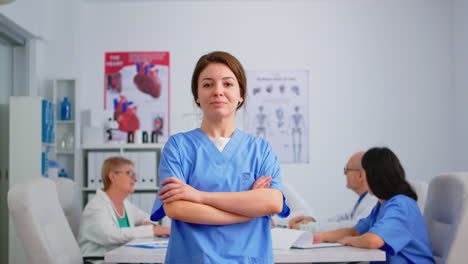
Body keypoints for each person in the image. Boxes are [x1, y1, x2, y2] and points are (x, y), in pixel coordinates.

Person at [150, 51, 289, 264]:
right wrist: (247, 211)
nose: (218, 91)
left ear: (241, 94)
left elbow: (273, 202)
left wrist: (198, 196)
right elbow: (175, 207)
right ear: (197, 95)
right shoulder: (178, 146)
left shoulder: (260, 150)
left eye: (228, 84)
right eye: (207, 85)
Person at [313, 147, 435, 264]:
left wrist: (350, 241)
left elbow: (372, 241)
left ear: (373, 176)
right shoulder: (382, 205)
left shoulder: (402, 205)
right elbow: (355, 231)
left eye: (364, 172)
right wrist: (319, 236)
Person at [78, 157, 170, 257]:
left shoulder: (125, 204)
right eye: (129, 173)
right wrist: (153, 230)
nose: (135, 178)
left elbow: (149, 218)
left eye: (134, 174)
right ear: (112, 177)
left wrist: (149, 224)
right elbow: (111, 235)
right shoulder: (96, 206)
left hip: (121, 258)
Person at [288, 152, 378, 232]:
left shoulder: (373, 200)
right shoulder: (365, 199)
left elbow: (355, 226)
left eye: (347, 169)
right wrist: (314, 221)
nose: (345, 173)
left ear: (360, 175)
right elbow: (344, 218)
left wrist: (308, 227)